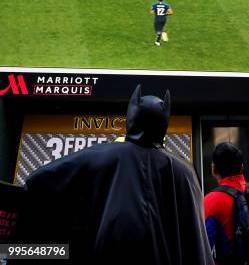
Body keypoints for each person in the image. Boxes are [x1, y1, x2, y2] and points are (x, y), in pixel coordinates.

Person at [14, 85, 214, 265]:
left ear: (131, 119)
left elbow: (37, 183)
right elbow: (196, 242)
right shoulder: (184, 171)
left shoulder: (99, 157)